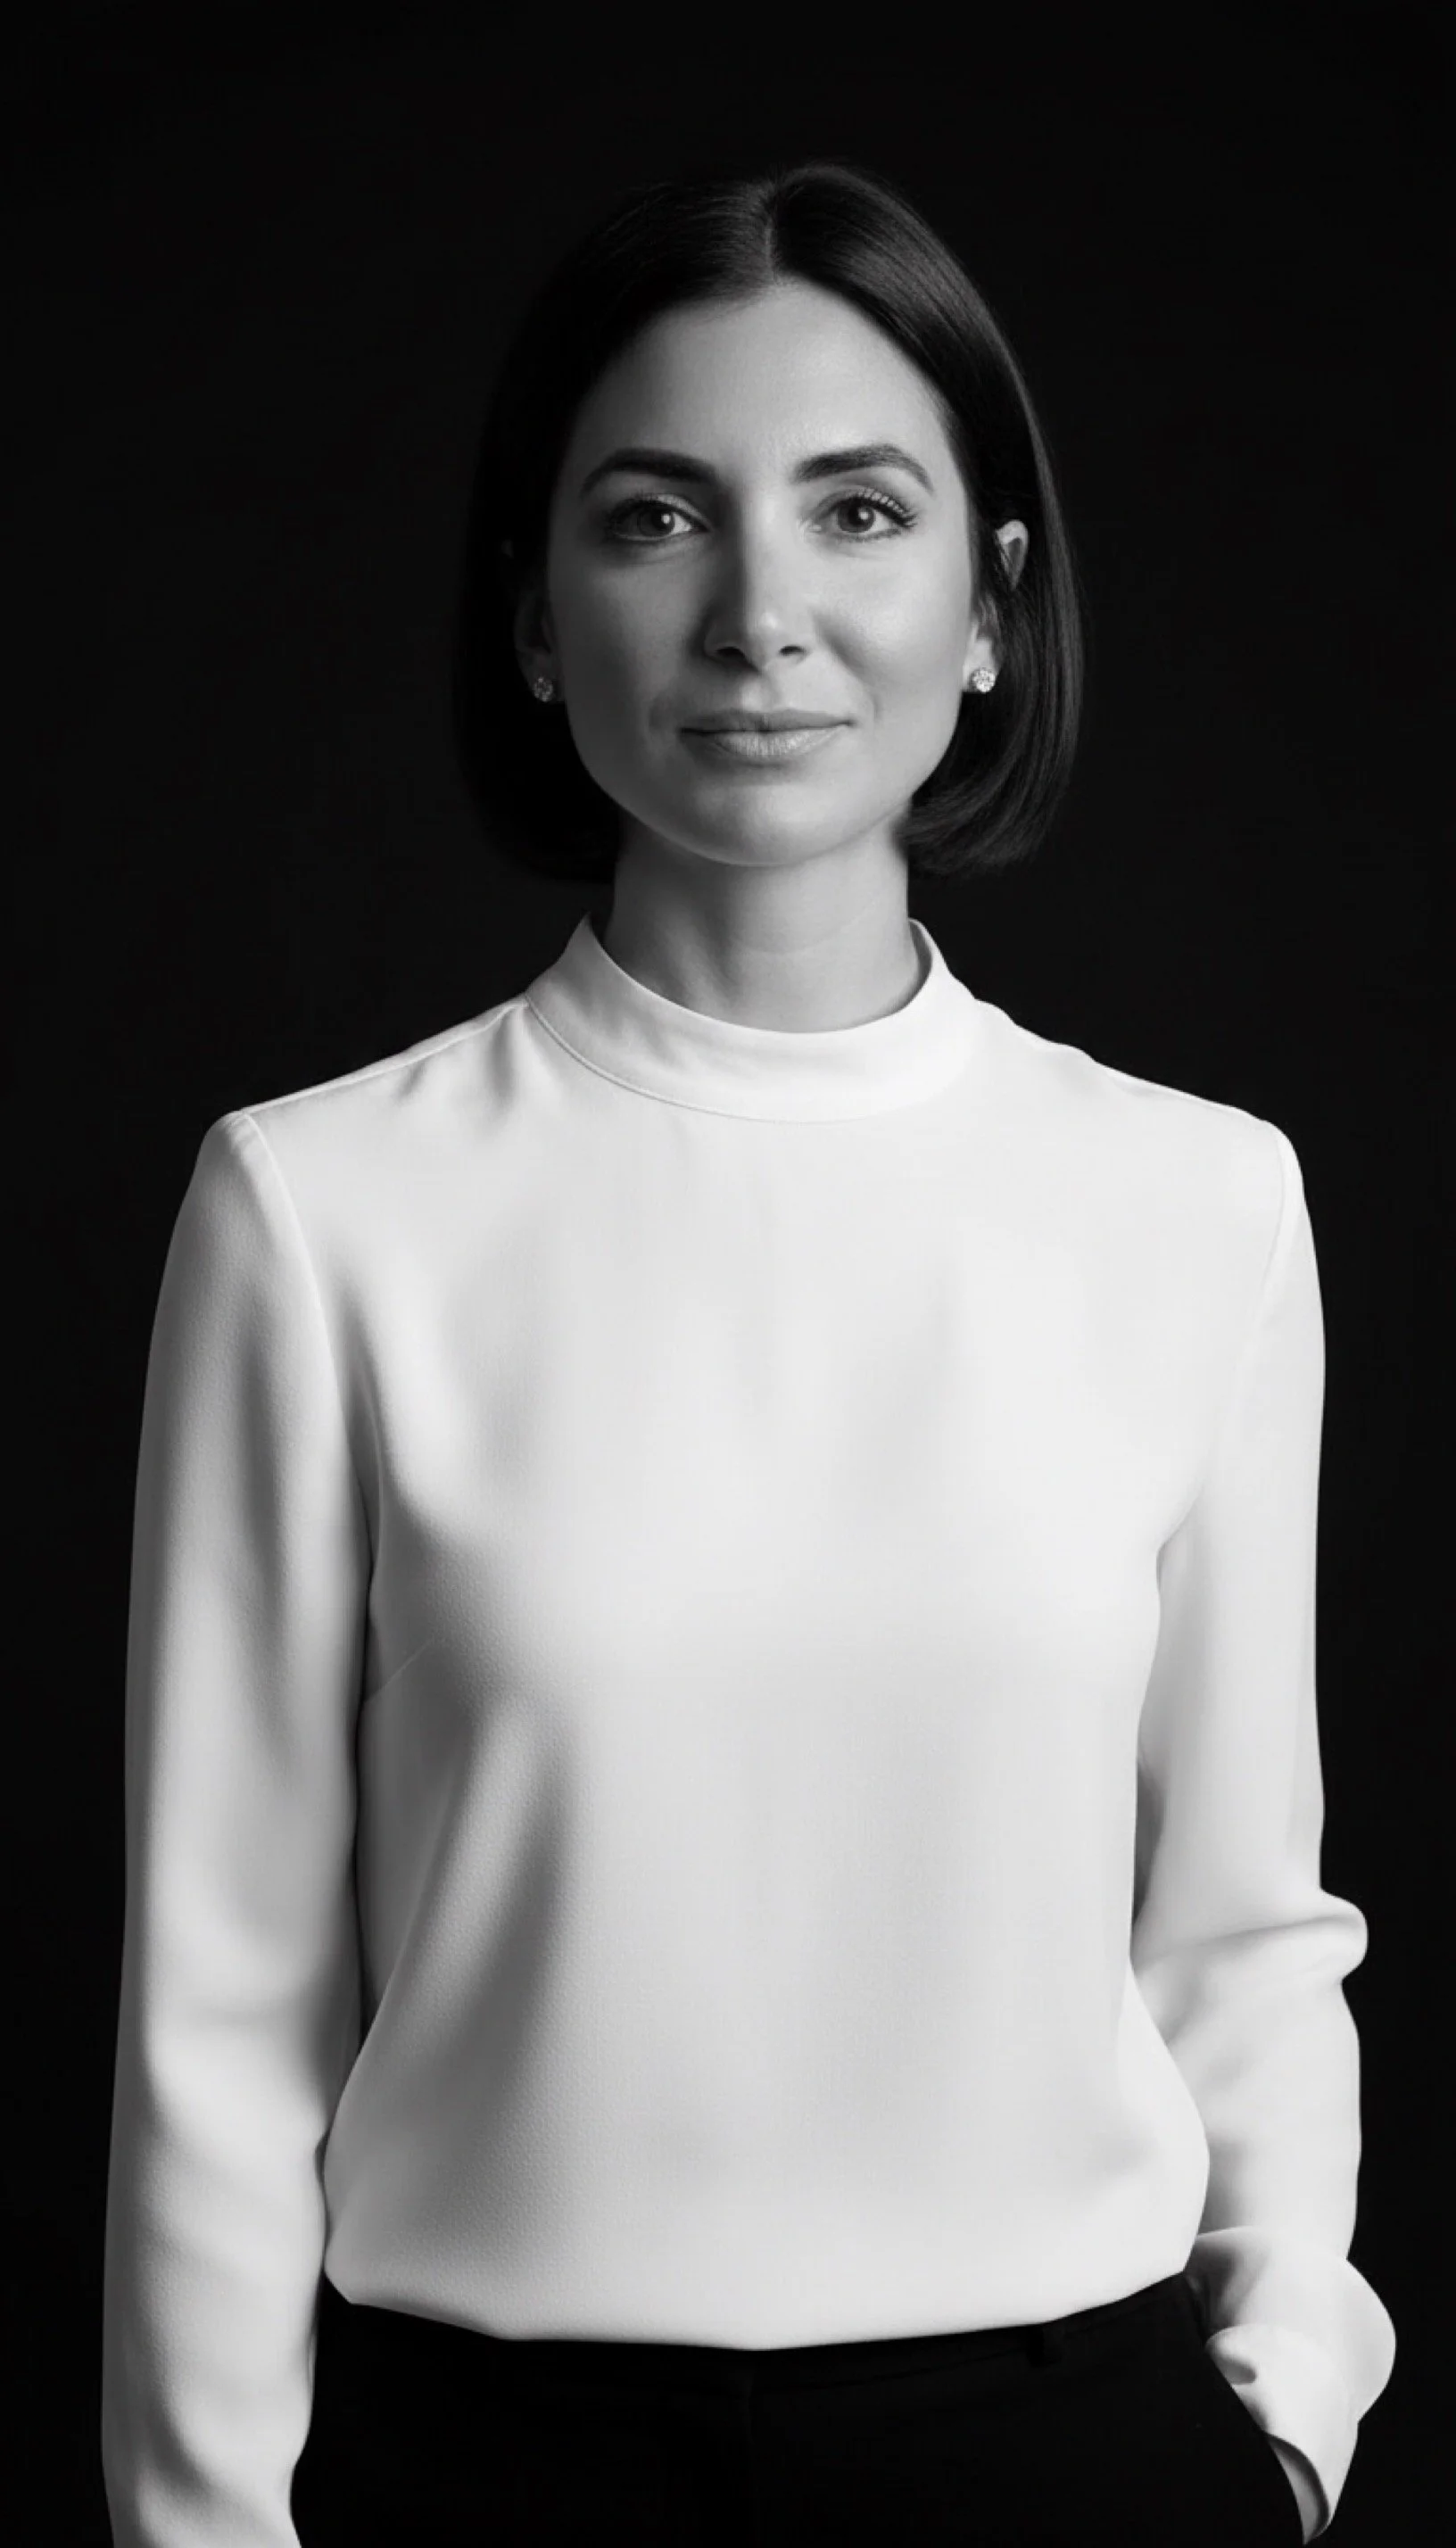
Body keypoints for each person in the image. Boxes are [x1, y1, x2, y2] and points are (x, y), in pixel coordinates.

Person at [101, 157, 1394, 2545]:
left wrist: (1291, 2396)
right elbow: (219, 2002)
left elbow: (1238, 1917)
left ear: (993, 604)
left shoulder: (1199, 1205)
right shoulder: (320, 1210)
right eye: (657, 518)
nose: (762, 614)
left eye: (860, 511)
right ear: (531, 612)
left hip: (1071, 2467)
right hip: (480, 2468)